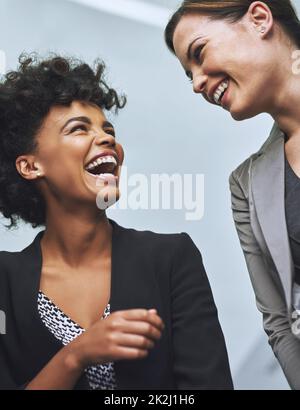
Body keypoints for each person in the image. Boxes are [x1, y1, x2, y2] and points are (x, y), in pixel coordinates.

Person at [0, 54, 233, 390]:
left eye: (108, 129)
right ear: (30, 166)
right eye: (79, 129)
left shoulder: (170, 258)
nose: (108, 138)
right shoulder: (5, 281)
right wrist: (75, 356)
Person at [164, 0, 300, 389]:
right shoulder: (247, 186)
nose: (196, 83)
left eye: (199, 53)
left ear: (259, 19)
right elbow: (279, 323)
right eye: (188, 74)